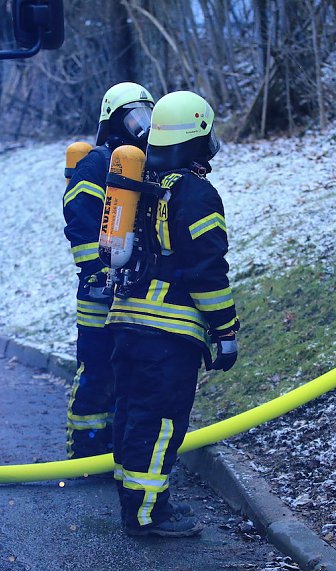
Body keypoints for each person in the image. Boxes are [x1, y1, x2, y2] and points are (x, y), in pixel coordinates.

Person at [106, 91, 240, 537]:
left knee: (131, 414)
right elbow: (206, 272)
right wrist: (226, 330)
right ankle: (148, 515)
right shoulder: (195, 194)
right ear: (197, 137)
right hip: (167, 332)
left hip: (126, 321)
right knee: (160, 421)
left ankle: (136, 502)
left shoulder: (142, 183)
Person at [62, 82, 155, 460]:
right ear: (113, 121)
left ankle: (119, 445)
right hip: (99, 292)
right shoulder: (96, 164)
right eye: (134, 116)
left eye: (148, 115)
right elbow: (79, 219)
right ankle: (85, 450)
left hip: (136, 289)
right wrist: (98, 270)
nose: (142, 125)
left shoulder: (149, 165)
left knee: (130, 371)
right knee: (97, 370)